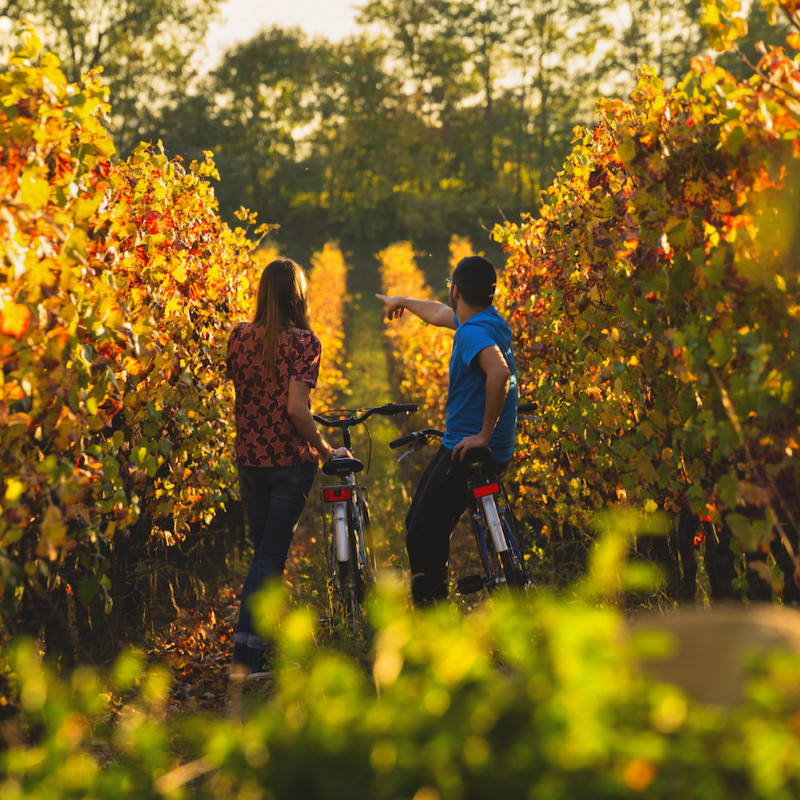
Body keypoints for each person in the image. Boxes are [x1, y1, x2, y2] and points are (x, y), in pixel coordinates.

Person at [226, 257, 347, 676]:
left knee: (262, 556)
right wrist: (325, 449)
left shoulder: (238, 336)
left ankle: (255, 645)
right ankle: (249, 656)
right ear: (299, 295)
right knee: (270, 559)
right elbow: (297, 408)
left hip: (249, 459)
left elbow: (245, 393)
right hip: (288, 462)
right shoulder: (303, 342)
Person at [376, 255, 518, 606]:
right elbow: (441, 314)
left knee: (421, 530)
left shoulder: (472, 332)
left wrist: (483, 433)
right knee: (423, 519)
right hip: (497, 449)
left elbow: (499, 373)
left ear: (456, 290)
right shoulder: (488, 321)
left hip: (468, 450)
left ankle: (431, 624)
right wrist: (405, 302)